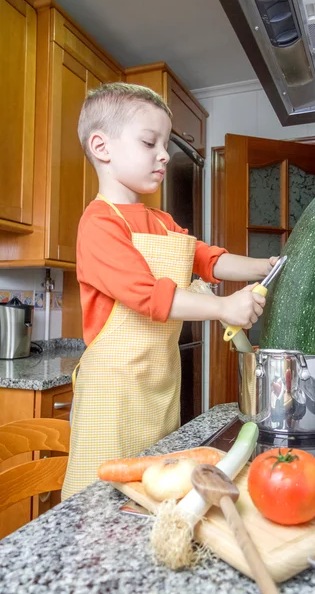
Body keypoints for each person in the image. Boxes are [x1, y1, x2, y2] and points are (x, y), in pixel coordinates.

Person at [61, 83, 277, 500]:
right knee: (100, 499)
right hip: (114, 395)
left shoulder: (161, 221)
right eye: (149, 142)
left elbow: (209, 259)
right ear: (101, 147)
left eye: (166, 143)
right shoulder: (99, 224)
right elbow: (150, 295)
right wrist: (223, 307)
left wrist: (265, 266)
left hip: (158, 388)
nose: (164, 154)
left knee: (153, 493)